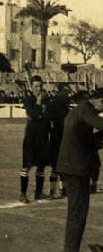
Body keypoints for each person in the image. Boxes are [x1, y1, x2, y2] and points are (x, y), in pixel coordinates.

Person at [57, 88, 103, 252]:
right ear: (100, 100)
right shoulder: (85, 109)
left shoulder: (81, 110)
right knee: (78, 211)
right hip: (76, 168)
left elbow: (83, 139)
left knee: (77, 210)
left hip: (73, 166)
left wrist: (99, 141)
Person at [20, 75, 51, 203]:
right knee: (26, 166)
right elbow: (33, 114)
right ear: (32, 87)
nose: (39, 89)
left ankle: (39, 192)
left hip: (43, 137)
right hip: (31, 137)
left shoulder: (46, 99)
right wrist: (38, 102)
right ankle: (23, 194)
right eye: (36, 86)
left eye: (40, 86)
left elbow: (47, 117)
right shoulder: (28, 99)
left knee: (41, 166)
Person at [47, 84, 72, 198]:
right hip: (57, 138)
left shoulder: (64, 106)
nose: (68, 94)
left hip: (62, 137)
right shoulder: (55, 105)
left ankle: (62, 189)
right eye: (66, 92)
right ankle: (54, 190)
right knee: (56, 165)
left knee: (62, 164)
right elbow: (49, 121)